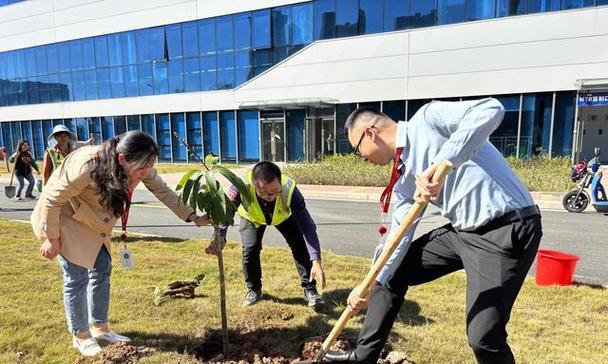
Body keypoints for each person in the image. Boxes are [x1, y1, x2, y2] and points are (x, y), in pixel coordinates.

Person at [324, 99, 543, 364]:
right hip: (464, 233)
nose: (363, 159)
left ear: (370, 133)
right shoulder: (404, 176)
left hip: (506, 229)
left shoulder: (428, 120)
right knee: (391, 272)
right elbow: (398, 236)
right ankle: (364, 357)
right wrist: (368, 283)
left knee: (483, 337)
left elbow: (491, 110)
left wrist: (444, 162)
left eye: (359, 151)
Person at [31, 131, 212, 357]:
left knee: (102, 269)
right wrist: (52, 238)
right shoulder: (88, 164)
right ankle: (81, 335)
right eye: (142, 169)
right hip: (64, 218)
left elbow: (163, 191)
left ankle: (100, 328)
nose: (146, 174)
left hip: (93, 223)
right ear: (122, 159)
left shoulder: (135, 164)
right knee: (76, 277)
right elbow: (51, 198)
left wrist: (193, 216)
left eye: (149, 167)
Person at [210, 161, 326, 307]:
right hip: (252, 217)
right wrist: (220, 235)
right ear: (253, 185)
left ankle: (310, 289)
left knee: (299, 245)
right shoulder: (240, 186)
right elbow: (226, 211)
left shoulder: (289, 189)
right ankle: (254, 290)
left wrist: (316, 260)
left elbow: (307, 226)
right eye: (264, 192)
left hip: (283, 216)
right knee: (250, 249)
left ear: (280, 181)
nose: (270, 196)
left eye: (275, 191)